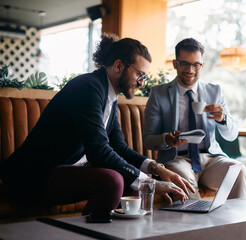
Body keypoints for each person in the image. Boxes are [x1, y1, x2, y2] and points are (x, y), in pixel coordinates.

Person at [0, 33, 194, 218]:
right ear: (118, 66)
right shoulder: (88, 88)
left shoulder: (108, 95)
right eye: (140, 75)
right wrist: (149, 183)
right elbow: (99, 151)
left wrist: (157, 169)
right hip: (33, 176)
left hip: (63, 171)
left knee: (128, 182)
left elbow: (119, 147)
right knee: (113, 181)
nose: (142, 83)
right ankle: (87, 233)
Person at [144, 38, 246, 200]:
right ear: (175, 64)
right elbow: (148, 140)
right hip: (177, 159)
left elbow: (231, 135)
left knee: (238, 170)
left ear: (202, 66)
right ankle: (200, 224)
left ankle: (236, 224)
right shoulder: (159, 94)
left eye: (196, 65)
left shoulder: (214, 91)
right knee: (185, 183)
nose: (190, 69)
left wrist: (222, 119)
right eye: (184, 63)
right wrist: (166, 139)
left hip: (211, 158)